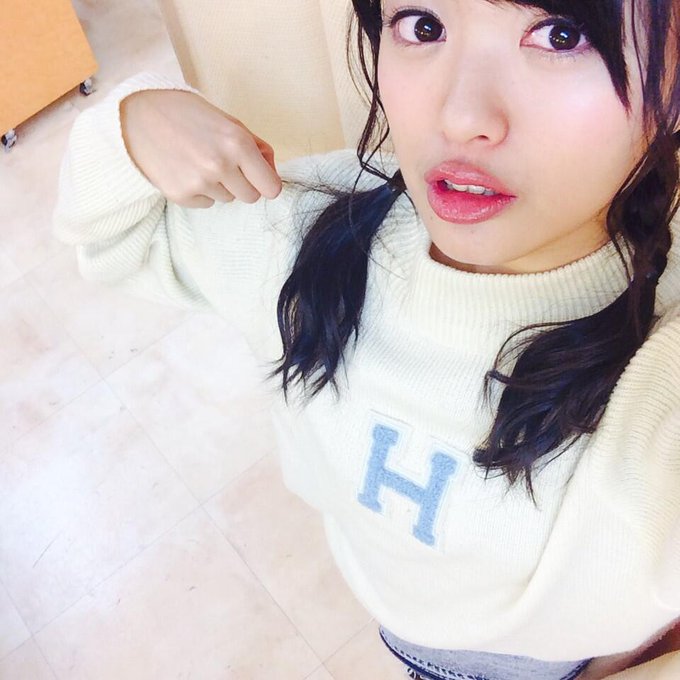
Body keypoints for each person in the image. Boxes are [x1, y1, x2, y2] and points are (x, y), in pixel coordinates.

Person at [53, 0, 680, 678]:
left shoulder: (656, 379)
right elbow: (115, 233)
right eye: (423, 25)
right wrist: (130, 123)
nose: (459, 116)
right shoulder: (304, 236)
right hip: (402, 624)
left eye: (561, 35)